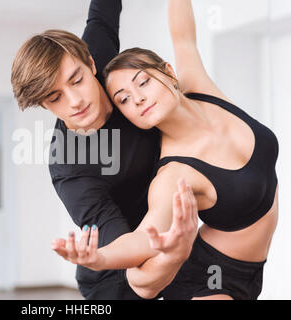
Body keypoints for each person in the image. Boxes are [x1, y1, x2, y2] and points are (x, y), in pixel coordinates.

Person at [53, 0, 279, 300]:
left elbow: (183, 34)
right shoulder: (174, 173)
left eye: (143, 82)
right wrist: (100, 258)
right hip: (213, 282)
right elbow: (142, 240)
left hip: (255, 265)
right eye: (123, 99)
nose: (137, 99)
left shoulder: (200, 88)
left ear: (169, 72)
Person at [11, 0, 198, 299]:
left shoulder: (99, 56)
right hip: (118, 273)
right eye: (55, 97)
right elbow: (128, 249)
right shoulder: (70, 170)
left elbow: (103, 8)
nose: (75, 101)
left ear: (91, 62)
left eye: (77, 80)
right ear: (43, 104)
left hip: (178, 239)